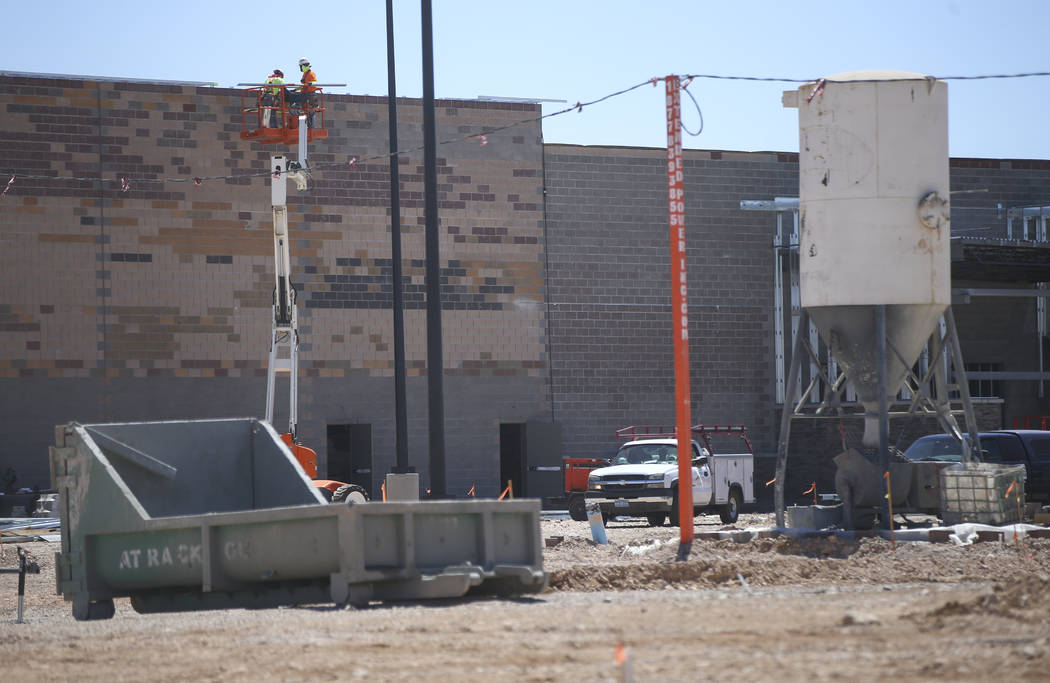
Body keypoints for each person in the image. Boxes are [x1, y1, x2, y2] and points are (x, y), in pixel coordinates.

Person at [287, 58, 318, 128]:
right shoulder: (305, 74)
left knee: (310, 112)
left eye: (300, 66)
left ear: (304, 66)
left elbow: (315, 82)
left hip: (310, 95)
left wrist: (311, 83)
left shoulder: (311, 73)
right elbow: (303, 85)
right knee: (295, 106)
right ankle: (299, 122)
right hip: (304, 94)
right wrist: (295, 89)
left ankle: (311, 127)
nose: (300, 68)